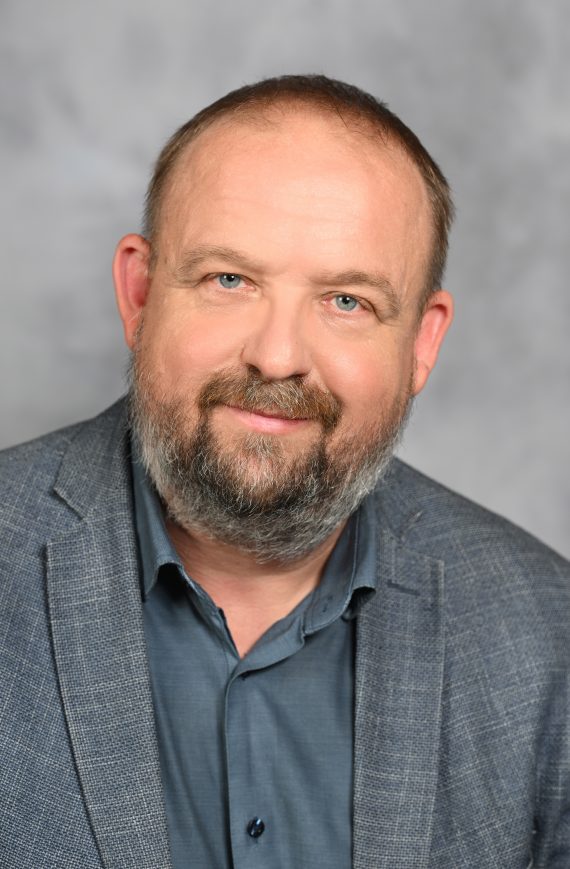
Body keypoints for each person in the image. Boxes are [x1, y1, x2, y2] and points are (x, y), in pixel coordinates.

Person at [0, 75, 568, 869]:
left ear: (422, 343)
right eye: (229, 280)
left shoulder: (545, 636)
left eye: (346, 300)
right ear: (139, 294)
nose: (276, 356)